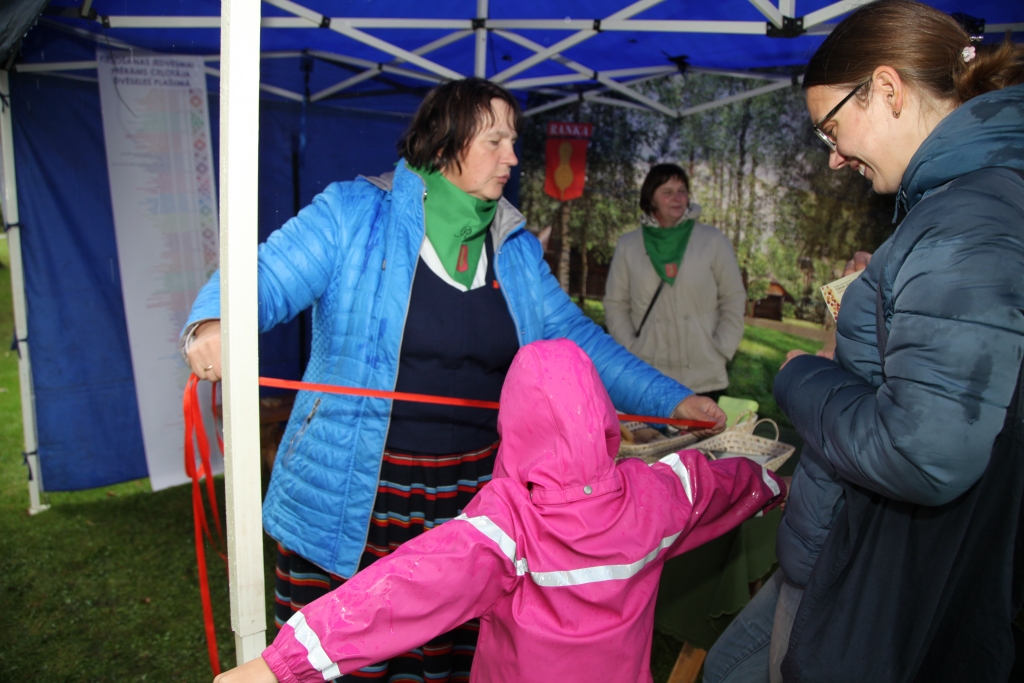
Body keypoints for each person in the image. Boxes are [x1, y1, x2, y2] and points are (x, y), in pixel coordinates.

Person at [182, 78, 726, 681]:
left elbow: (578, 340)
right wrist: (215, 321)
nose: (511, 157)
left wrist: (674, 400)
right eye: (495, 141)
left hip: (475, 494)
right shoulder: (354, 213)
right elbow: (264, 276)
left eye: (513, 141)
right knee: (348, 651)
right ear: (444, 145)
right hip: (360, 495)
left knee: (449, 665)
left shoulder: (513, 247)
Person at [703, 2, 1024, 681]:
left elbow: (922, 450)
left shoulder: (966, 219)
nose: (834, 158)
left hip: (871, 570)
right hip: (850, 547)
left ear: (886, 89)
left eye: (833, 128)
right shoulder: (962, 204)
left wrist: (801, 376)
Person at [210, 339, 784, 683]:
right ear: (603, 416)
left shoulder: (510, 527)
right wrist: (771, 484)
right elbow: (723, 483)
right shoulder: (655, 495)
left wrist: (281, 664)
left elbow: (401, 590)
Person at [604, 164, 747, 401]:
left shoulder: (712, 241)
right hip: (646, 374)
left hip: (702, 374)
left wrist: (722, 348)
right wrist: (630, 348)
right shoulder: (628, 245)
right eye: (667, 192)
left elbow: (733, 297)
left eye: (682, 191)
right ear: (651, 198)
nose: (677, 198)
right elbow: (615, 305)